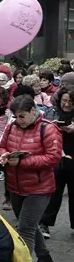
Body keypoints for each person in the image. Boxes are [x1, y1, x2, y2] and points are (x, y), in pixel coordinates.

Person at [0, 94, 61, 262]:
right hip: (15, 186)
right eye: (16, 117)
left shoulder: (48, 128)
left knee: (24, 229)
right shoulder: (12, 127)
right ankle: (44, 257)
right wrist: (4, 157)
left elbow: (53, 158)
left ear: (34, 111)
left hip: (39, 188)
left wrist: (22, 162)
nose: (19, 120)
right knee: (30, 225)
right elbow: (2, 146)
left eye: (22, 116)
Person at [40, 86, 74, 238]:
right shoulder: (52, 111)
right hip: (57, 157)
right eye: (64, 101)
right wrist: (52, 127)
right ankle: (45, 223)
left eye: (71, 102)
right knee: (54, 192)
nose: (66, 104)